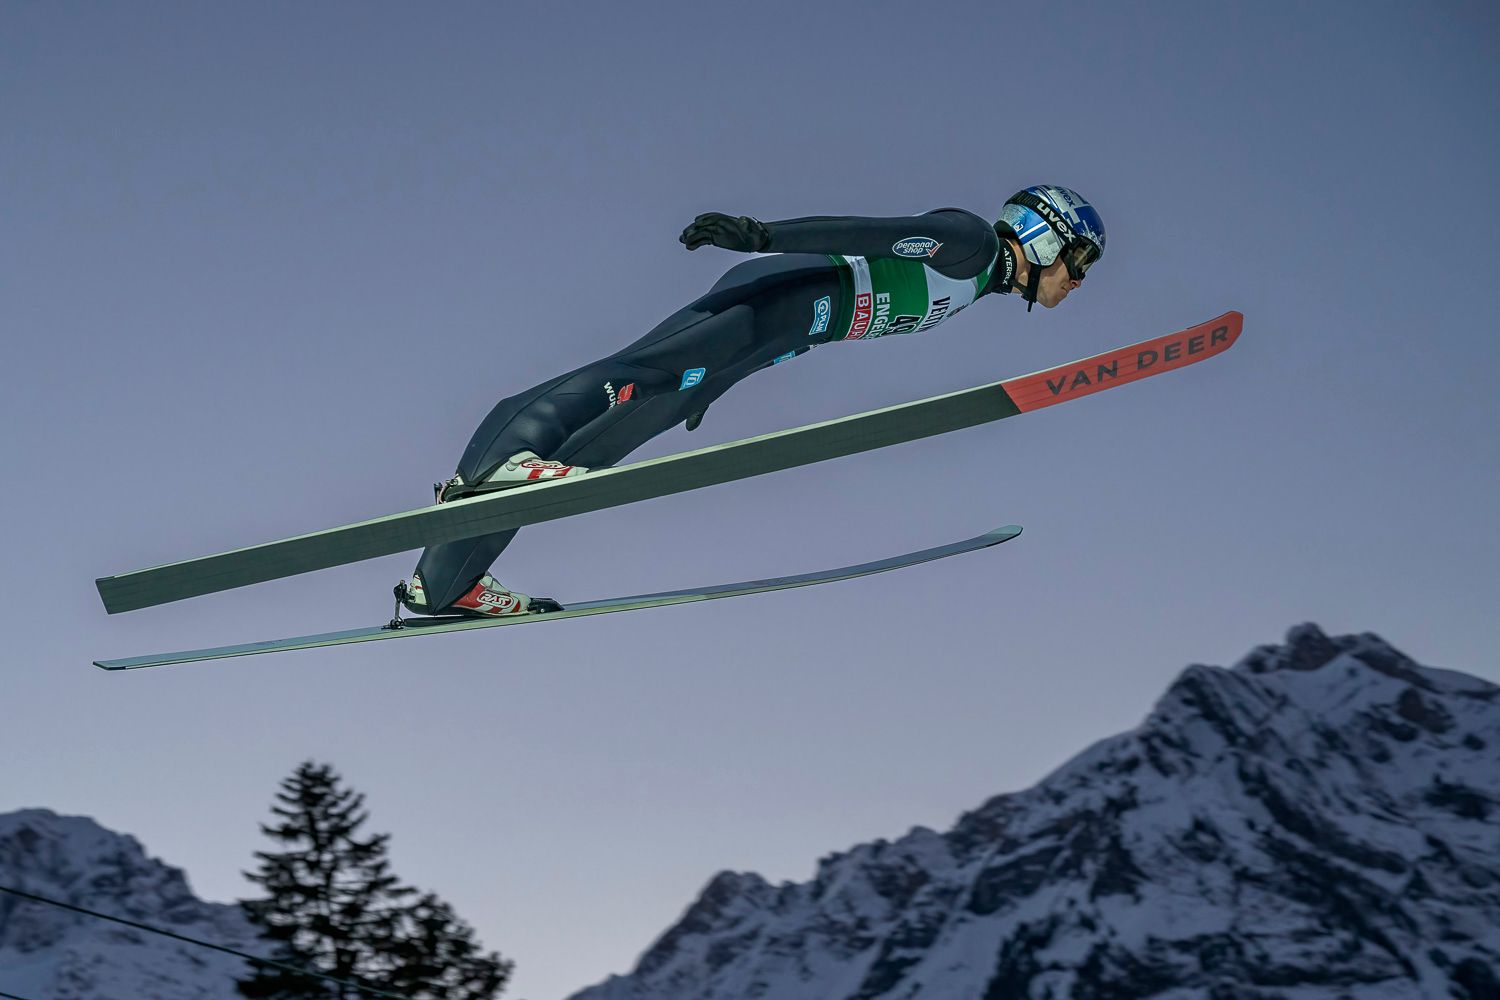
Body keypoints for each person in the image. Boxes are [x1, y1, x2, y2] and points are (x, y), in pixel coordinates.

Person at [394, 185, 1106, 618]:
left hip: (781, 329)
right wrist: (763, 235)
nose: (1077, 280)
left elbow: (836, 319)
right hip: (776, 292)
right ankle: (504, 460)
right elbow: (870, 234)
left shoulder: (976, 285)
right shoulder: (972, 244)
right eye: (1078, 260)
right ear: (1045, 235)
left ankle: (446, 585)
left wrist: (729, 377)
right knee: (637, 373)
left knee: (609, 445)